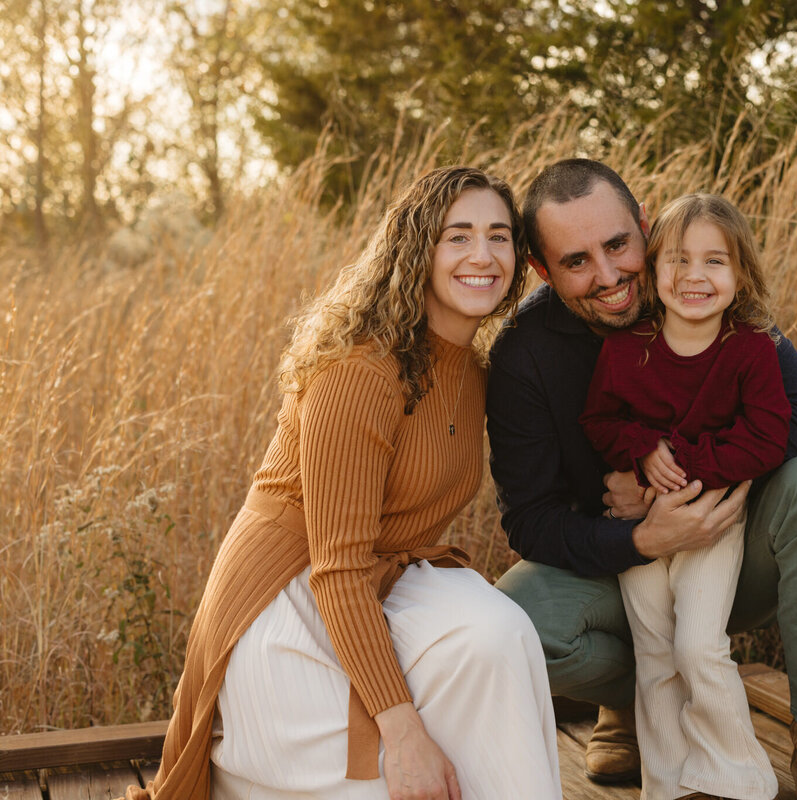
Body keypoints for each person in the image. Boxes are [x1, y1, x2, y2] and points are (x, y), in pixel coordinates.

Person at [125, 166, 561, 800]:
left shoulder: (472, 367)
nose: (482, 255)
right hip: (288, 597)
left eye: (499, 237)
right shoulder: (362, 368)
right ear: (419, 251)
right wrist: (404, 729)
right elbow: (336, 566)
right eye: (457, 236)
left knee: (502, 634)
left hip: (382, 580)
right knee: (385, 774)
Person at [486, 159, 797, 800]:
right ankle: (633, 709)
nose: (608, 277)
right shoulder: (524, 353)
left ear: (643, 226)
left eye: (617, 245)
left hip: (730, 544)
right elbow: (529, 519)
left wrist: (673, 475)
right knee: (515, 624)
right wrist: (637, 538)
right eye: (577, 261)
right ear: (542, 270)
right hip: (616, 565)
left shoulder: (710, 294)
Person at [579, 193, 787, 799]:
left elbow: (768, 437)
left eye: (714, 261)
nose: (695, 276)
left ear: (741, 273)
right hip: (638, 528)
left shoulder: (750, 348)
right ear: (652, 269)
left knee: (698, 646)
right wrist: (642, 450)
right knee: (655, 655)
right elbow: (599, 423)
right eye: (677, 260)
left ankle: (738, 780)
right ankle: (667, 786)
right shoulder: (625, 349)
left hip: (709, 521)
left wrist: (685, 470)